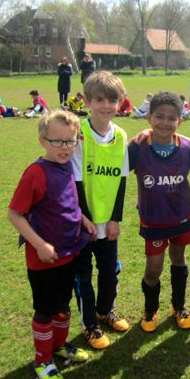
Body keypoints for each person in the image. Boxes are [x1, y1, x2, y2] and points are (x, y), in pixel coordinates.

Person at [8, 110, 95, 379]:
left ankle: (58, 346)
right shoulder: (36, 173)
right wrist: (40, 244)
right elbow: (15, 214)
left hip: (68, 252)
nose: (65, 147)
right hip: (43, 259)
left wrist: (82, 219)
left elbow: (67, 202)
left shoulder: (66, 165)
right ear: (42, 141)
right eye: (57, 141)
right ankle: (42, 360)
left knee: (63, 306)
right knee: (46, 311)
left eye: (70, 141)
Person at [127, 92, 190, 333]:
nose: (165, 122)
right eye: (159, 116)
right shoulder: (138, 147)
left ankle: (179, 306)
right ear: (149, 117)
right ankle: (150, 309)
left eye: (172, 118)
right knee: (154, 268)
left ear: (179, 121)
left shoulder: (187, 147)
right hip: (153, 218)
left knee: (179, 258)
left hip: (180, 215)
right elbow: (116, 169)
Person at [72, 71, 130, 349]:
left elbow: (122, 180)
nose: (106, 106)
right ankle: (89, 325)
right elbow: (76, 181)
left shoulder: (120, 135)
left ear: (120, 102)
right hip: (82, 221)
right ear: (87, 101)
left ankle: (106, 310)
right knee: (83, 274)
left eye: (112, 100)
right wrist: (85, 219)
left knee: (109, 269)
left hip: (108, 221)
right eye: (99, 100)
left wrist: (115, 219)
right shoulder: (78, 134)